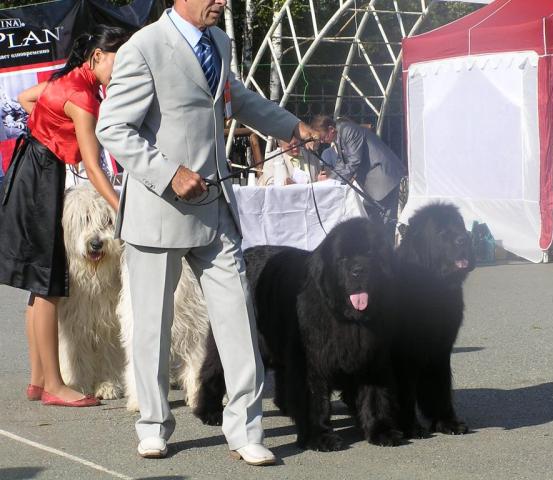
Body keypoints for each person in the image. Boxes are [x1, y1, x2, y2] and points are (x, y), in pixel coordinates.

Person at [95, 0, 317, 465]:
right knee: (152, 326)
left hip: (216, 211)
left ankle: (246, 429)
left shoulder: (219, 40)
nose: (222, 2)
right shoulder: (144, 47)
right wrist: (168, 172)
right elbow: (113, 127)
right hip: (158, 211)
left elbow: (239, 97)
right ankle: (153, 425)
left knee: (239, 319)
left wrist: (290, 125)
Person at [0, 26, 130, 408]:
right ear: (96, 57)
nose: (118, 74)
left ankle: (38, 379)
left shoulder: (64, 80)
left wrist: (52, 129)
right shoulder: (84, 96)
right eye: (116, 65)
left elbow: (26, 98)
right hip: (41, 178)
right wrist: (121, 210)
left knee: (37, 285)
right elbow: (93, 167)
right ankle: (56, 386)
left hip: (28, 169)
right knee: (50, 284)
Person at [310, 115, 406, 240]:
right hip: (375, 181)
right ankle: (380, 250)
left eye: (322, 137)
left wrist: (333, 182)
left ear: (330, 129)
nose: (321, 141)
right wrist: (330, 181)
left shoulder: (347, 130)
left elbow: (354, 161)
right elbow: (341, 162)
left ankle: (387, 253)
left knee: (385, 223)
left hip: (383, 177)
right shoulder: (339, 136)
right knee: (372, 218)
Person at [257, 138, 321, 186]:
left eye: (296, 144)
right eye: (290, 146)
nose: (295, 148)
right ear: (280, 144)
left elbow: (319, 177)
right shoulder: (272, 158)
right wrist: (284, 184)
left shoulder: (312, 155)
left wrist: (321, 180)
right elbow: (270, 185)